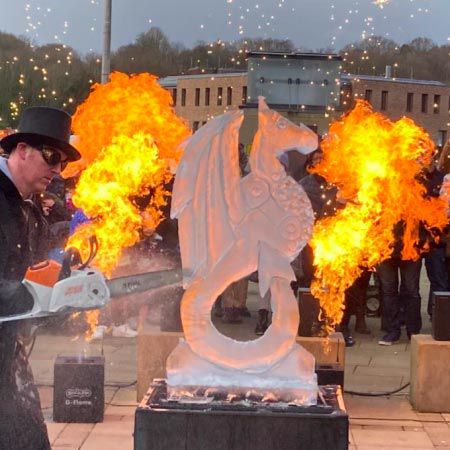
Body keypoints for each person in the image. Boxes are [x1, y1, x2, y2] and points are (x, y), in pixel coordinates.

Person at [0, 106, 81, 449]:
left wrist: (65, 277)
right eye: (51, 156)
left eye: (61, 161)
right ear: (21, 149)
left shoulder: (27, 206)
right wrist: (16, 293)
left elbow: (36, 266)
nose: (57, 169)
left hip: (8, 352)